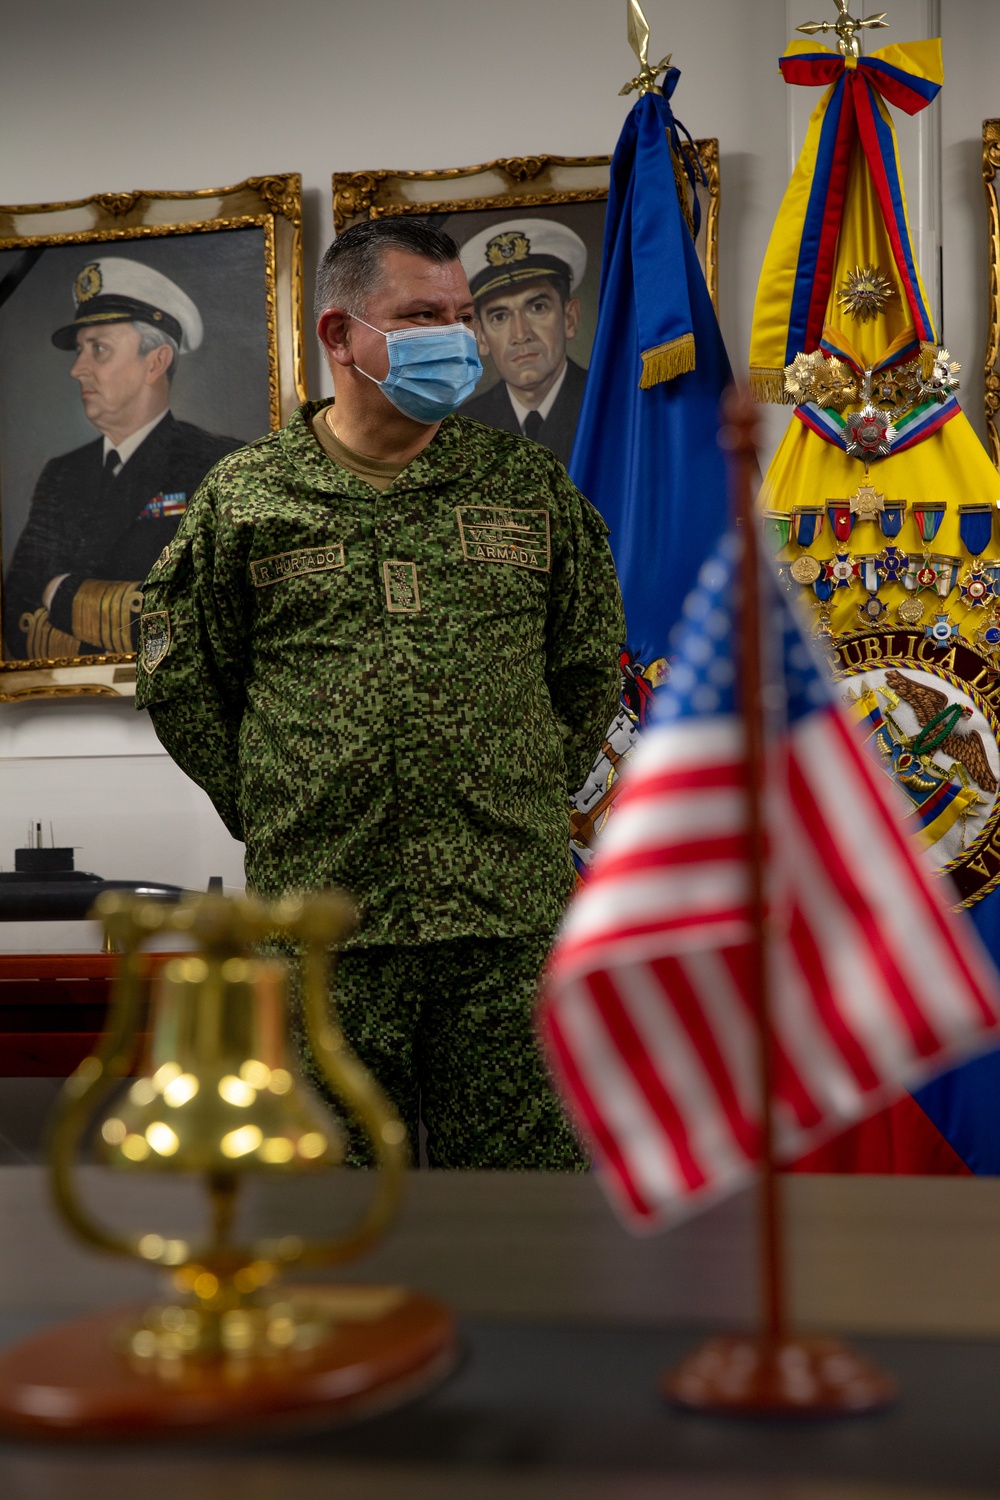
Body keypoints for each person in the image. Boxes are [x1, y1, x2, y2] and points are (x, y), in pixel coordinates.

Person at [135, 217, 624, 1170]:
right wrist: (281, 802)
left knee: (529, 1208)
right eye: (421, 315)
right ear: (340, 335)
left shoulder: (525, 485)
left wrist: (514, 792)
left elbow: (587, 659)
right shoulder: (248, 498)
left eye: (461, 314)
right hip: (324, 929)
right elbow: (186, 678)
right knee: (326, 1203)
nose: (458, 338)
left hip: (504, 923)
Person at [3, 257, 242, 661]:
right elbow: (16, 612)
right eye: (80, 350)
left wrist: (62, 593)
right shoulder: (62, 475)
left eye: (99, 349)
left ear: (156, 361)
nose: (77, 369)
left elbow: (212, 616)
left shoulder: (218, 463)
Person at [460, 218, 589, 466]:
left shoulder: (612, 407)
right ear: (481, 336)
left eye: (537, 307)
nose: (520, 334)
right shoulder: (464, 428)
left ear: (569, 318)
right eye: (500, 316)